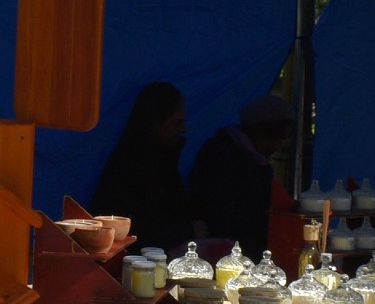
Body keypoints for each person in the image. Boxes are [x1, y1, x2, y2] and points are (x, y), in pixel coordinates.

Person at [90, 82, 196, 253]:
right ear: (156, 122)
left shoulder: (166, 159)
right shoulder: (133, 167)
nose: (183, 129)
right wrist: (187, 230)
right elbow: (139, 229)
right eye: (177, 123)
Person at [188, 95, 295, 254]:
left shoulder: (258, 161)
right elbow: (224, 214)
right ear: (261, 132)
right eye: (278, 138)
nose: (279, 146)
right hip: (226, 249)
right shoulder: (221, 157)